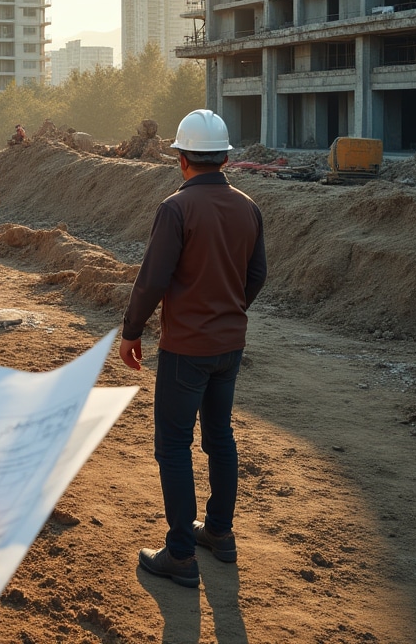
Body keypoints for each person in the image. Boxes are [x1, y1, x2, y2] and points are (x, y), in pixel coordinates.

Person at [118, 109, 266, 589]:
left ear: (181, 159)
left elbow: (153, 279)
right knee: (219, 437)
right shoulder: (248, 206)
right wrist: (228, 310)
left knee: (174, 447)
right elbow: (257, 275)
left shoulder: (176, 209)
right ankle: (219, 533)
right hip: (230, 346)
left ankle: (180, 554)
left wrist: (132, 330)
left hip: (186, 350)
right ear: (225, 158)